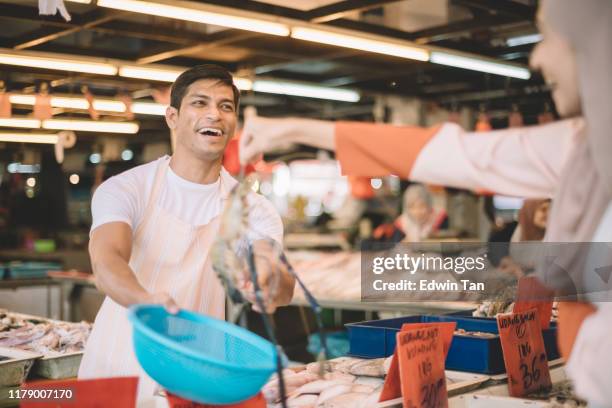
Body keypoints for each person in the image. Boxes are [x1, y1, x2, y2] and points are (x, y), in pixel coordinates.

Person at [239, 1, 612, 403]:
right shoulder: (581, 148)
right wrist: (294, 129)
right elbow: (450, 154)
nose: (536, 57)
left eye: (549, 35)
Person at [78, 65, 295, 401]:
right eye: (200, 103)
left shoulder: (253, 207)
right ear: (172, 117)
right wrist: (146, 301)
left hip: (196, 376)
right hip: (115, 368)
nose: (215, 114)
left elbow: (272, 267)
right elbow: (106, 261)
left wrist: (269, 281)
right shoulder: (127, 188)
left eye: (226, 107)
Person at [373, 184, 447, 242]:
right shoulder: (401, 224)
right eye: (412, 207)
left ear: (429, 205)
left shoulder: (439, 219)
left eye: (422, 206)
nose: (418, 211)